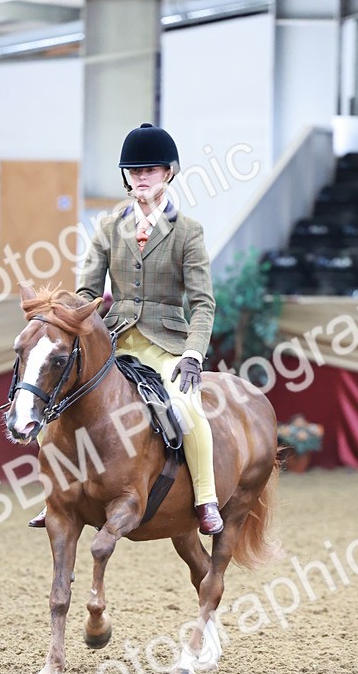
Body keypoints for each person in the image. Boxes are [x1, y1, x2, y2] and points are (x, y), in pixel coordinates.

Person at [29, 121, 223, 536]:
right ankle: (56, 495)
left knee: (186, 408)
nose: (141, 178)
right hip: (113, 338)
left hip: (165, 341)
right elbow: (86, 290)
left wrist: (192, 354)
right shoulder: (107, 226)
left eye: (149, 170)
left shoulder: (188, 232)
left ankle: (205, 498)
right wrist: (71, 317)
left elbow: (202, 303)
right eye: (134, 172)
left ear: (168, 173)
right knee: (60, 400)